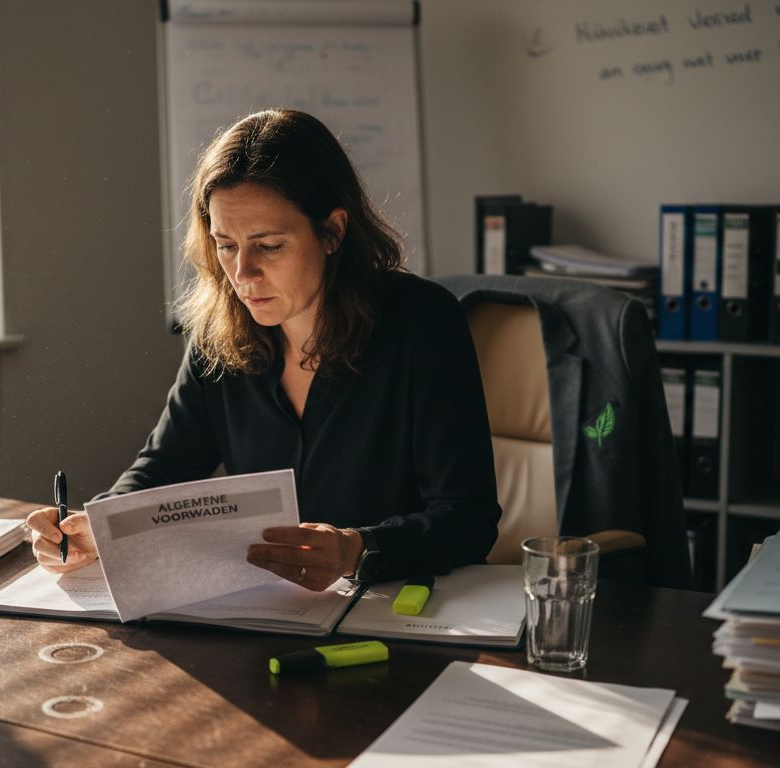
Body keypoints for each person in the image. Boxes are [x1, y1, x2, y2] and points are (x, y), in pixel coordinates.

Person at [28, 109, 500, 589]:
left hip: (401, 606)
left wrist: (357, 549)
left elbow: (468, 517)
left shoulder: (423, 322)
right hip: (268, 611)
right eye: (226, 246)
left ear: (333, 231)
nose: (242, 275)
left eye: (269, 246)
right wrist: (99, 526)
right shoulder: (218, 331)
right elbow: (165, 467)